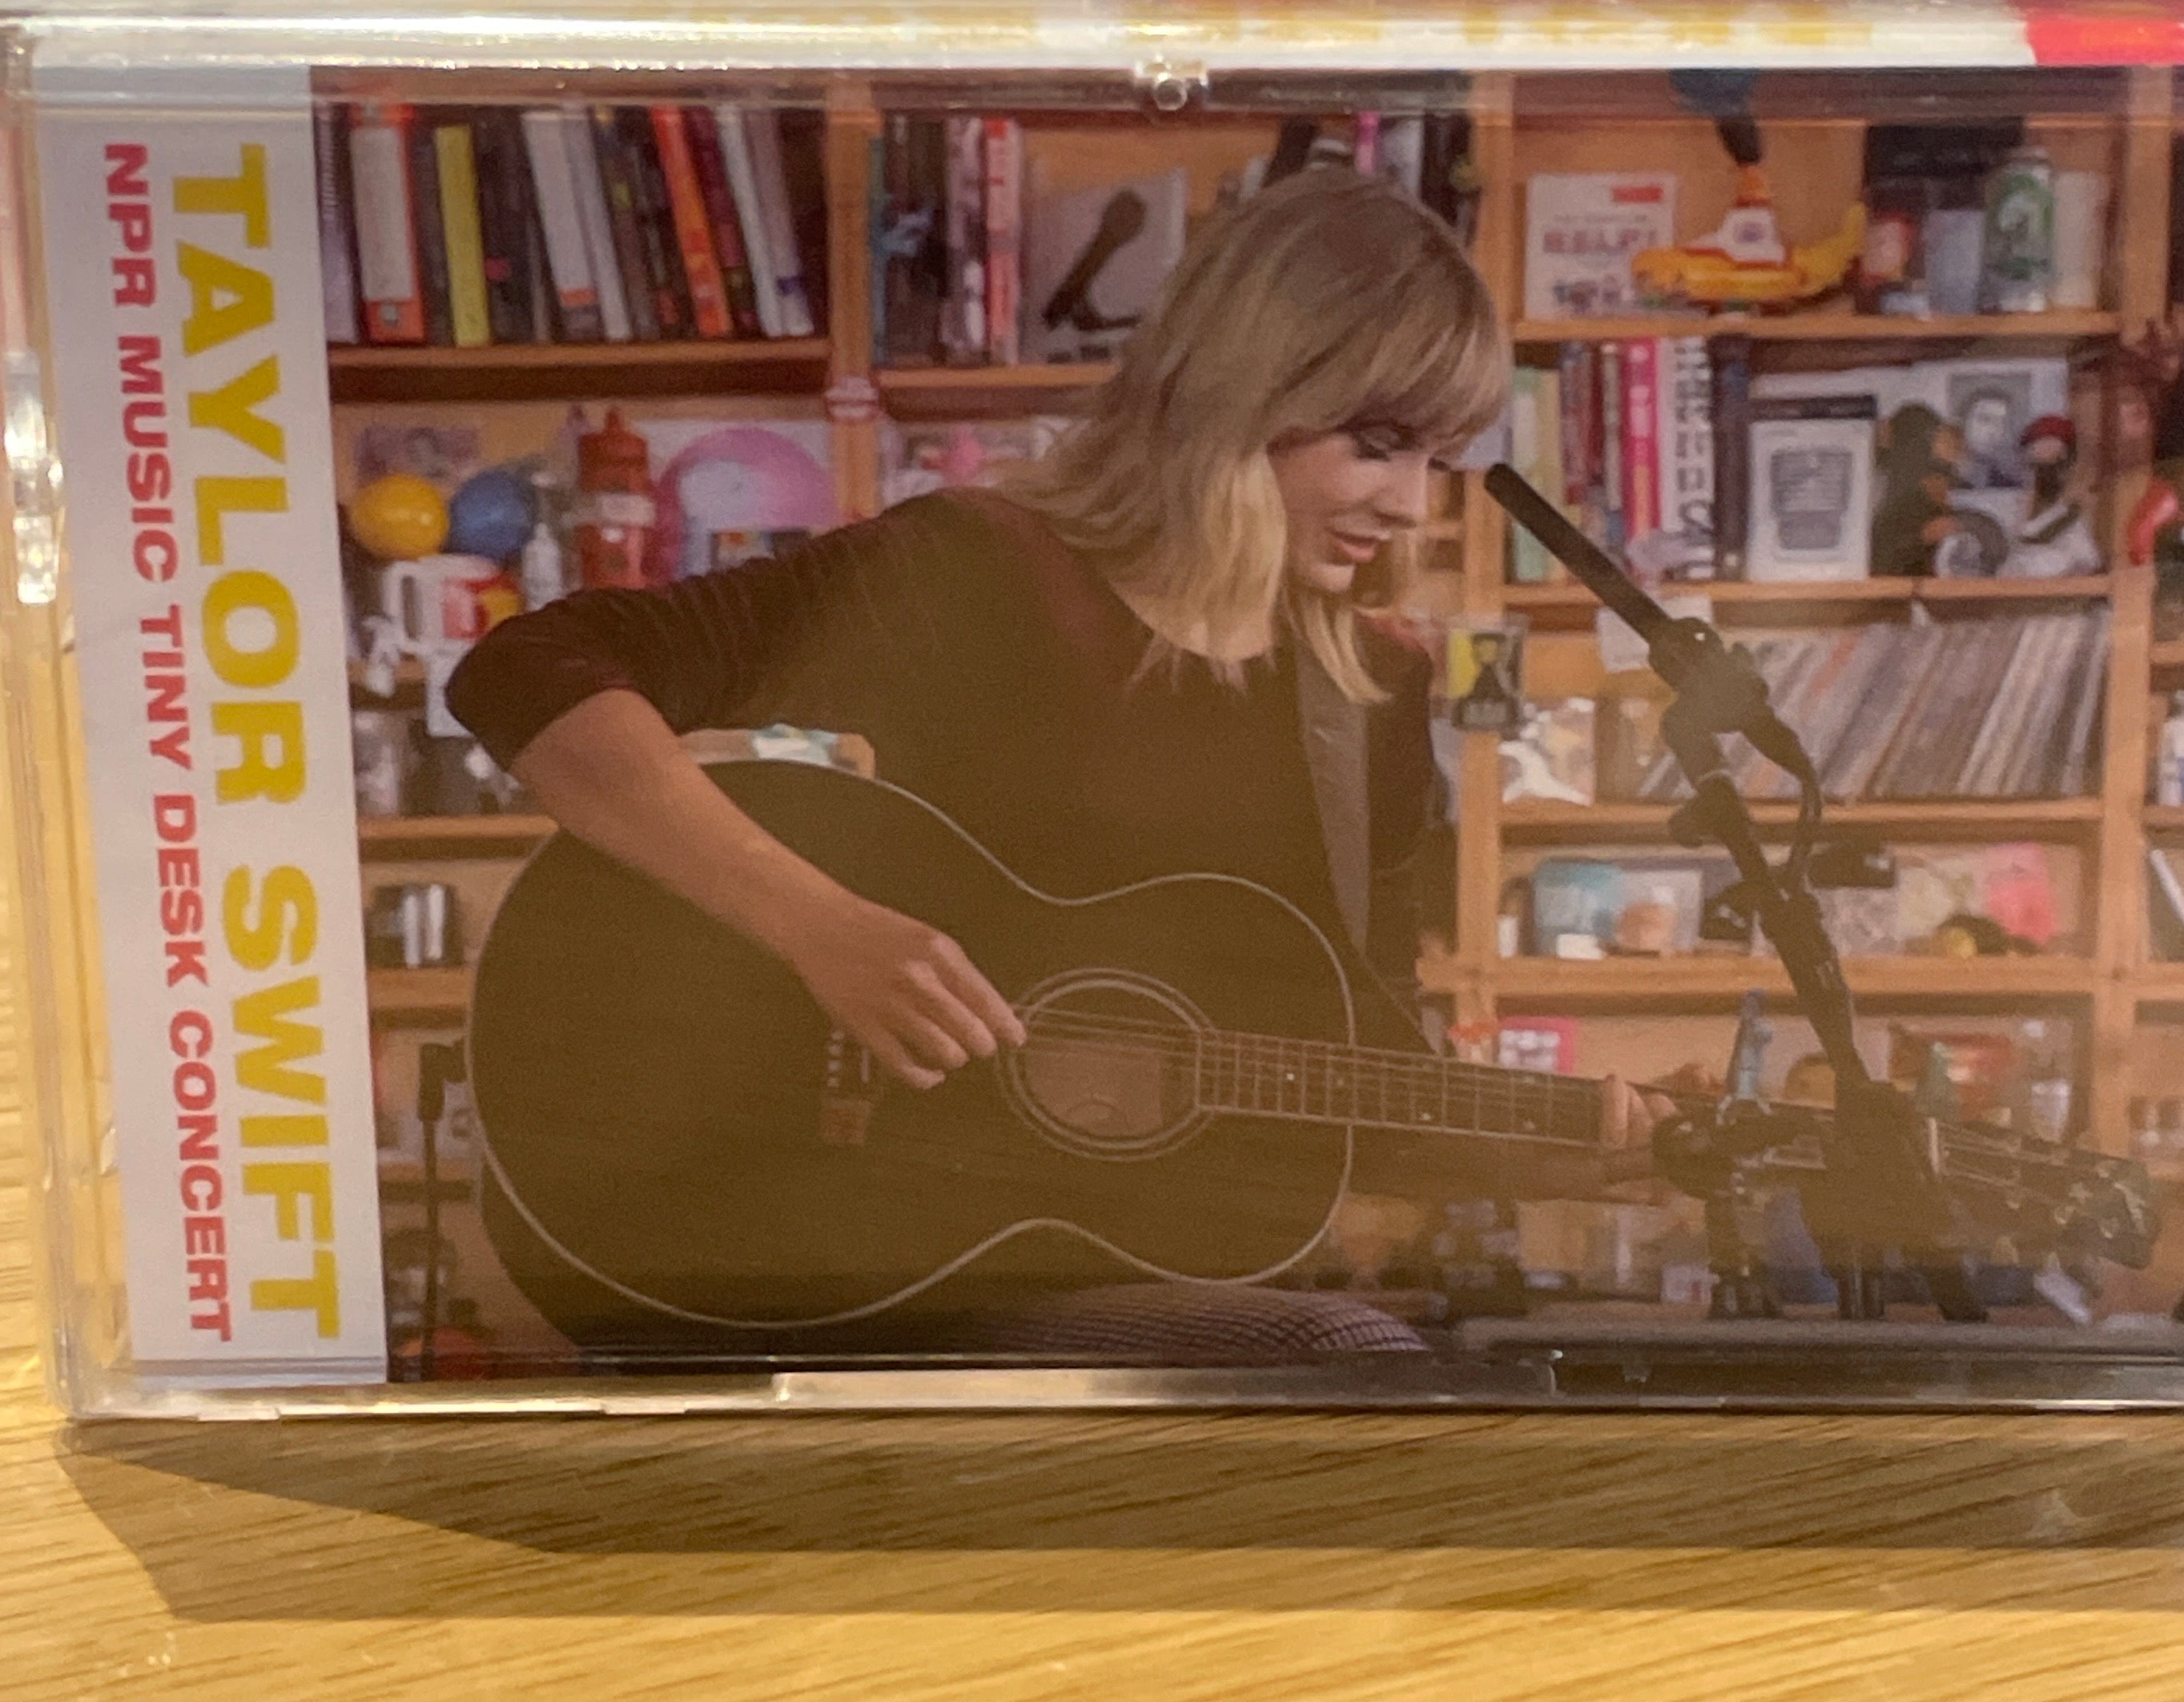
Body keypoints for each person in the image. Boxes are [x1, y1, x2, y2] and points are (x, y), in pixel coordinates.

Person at [450, 168, 1659, 1366]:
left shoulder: (1372, 697)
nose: (1409, 506)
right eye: (1379, 445)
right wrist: (820, 928)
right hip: (837, 1231)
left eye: (1438, 460)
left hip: (1117, 1263)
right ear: (1245, 392)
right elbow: (530, 670)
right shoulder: (982, 574)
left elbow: (1357, 1079)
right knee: (1350, 1360)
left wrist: (1559, 1149)